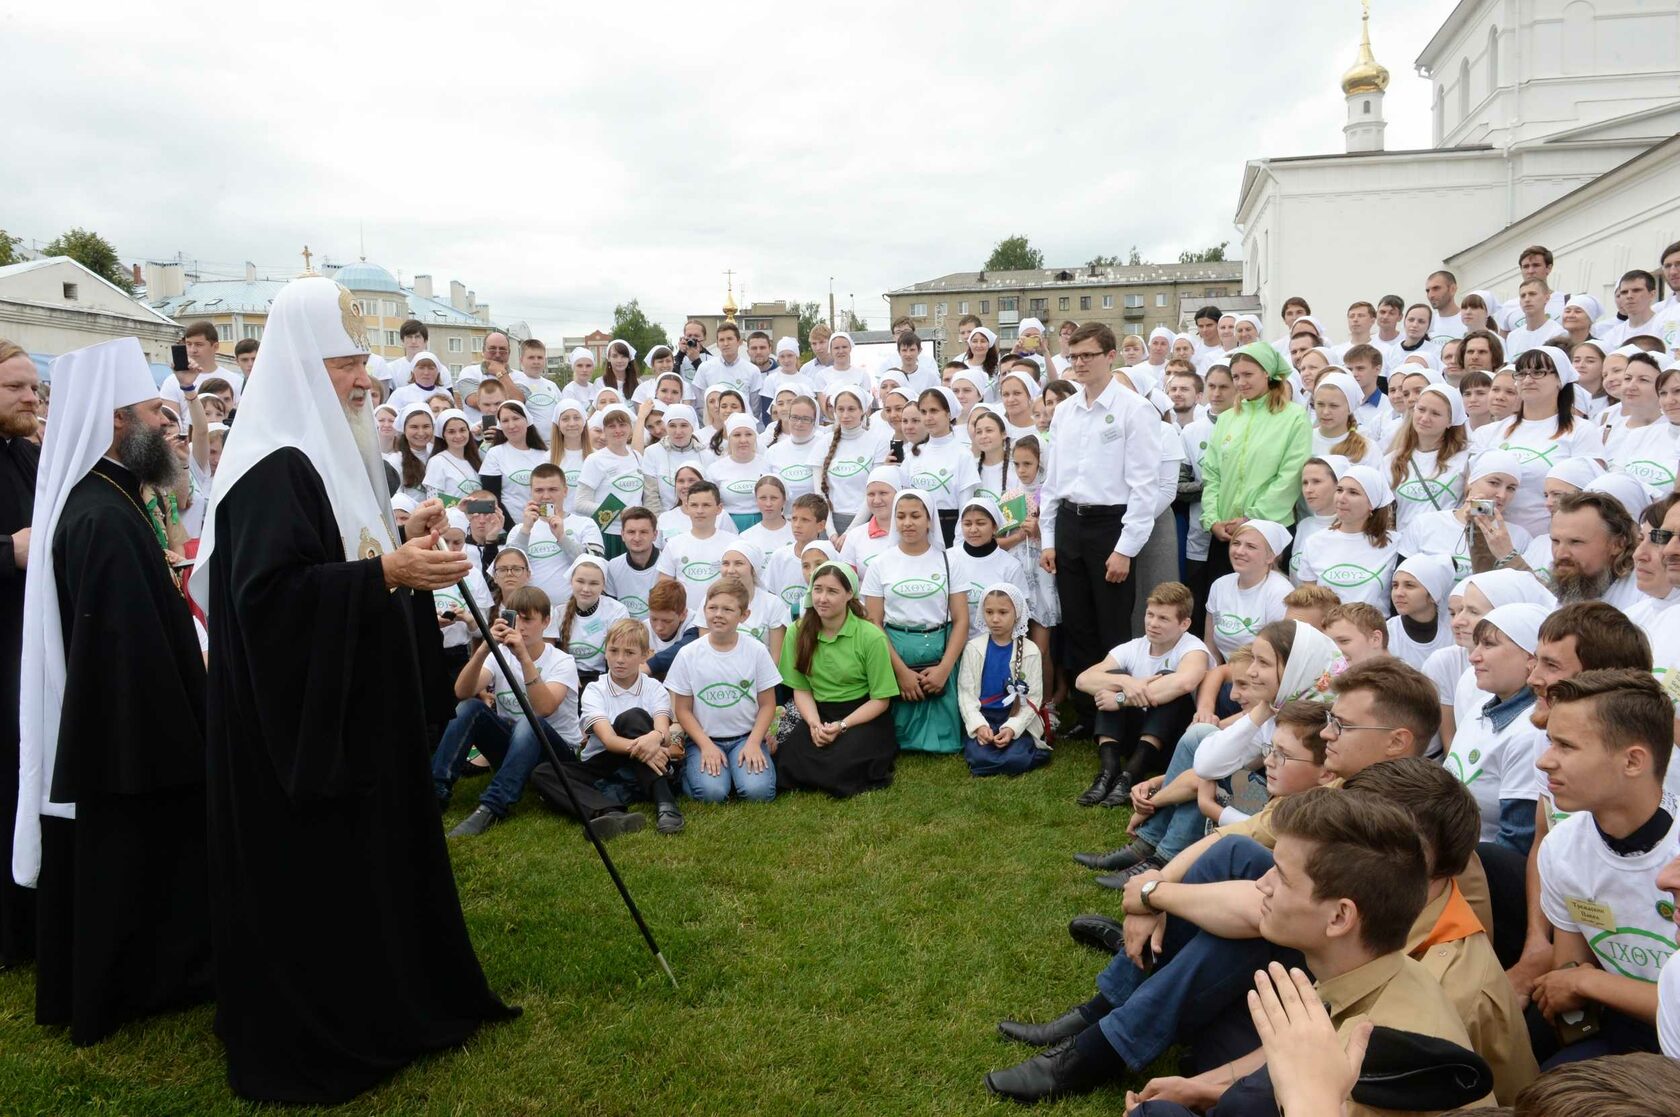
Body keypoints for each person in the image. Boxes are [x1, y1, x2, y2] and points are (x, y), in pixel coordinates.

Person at [190, 277, 514, 1103]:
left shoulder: (332, 445)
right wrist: (386, 572)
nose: (363, 377)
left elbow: (337, 551)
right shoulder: (272, 466)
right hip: (302, 728)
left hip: (354, 707)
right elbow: (268, 602)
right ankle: (344, 1013)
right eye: (343, 363)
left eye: (363, 359)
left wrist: (397, 542)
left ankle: (396, 991)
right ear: (304, 368)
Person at [989, 786, 1489, 1112]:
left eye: (1283, 877)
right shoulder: (1363, 965)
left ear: (1340, 916)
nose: (1263, 883)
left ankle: (1096, 1044)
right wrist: (1204, 1086)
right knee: (1242, 879)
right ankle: (1103, 1026)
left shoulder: (1383, 1050)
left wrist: (1209, 1095)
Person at [14, 336, 211, 1045]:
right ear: (113, 420)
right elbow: (125, 648)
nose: (166, 425)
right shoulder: (99, 514)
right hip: (132, 734)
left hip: (133, 725)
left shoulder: (116, 497)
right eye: (151, 414)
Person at [1532, 670, 1679, 1066]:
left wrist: (1588, 981)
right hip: (1620, 1031)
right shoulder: (1562, 847)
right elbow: (1567, 977)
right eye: (1550, 742)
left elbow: (1576, 979)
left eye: (1566, 746)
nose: (1544, 761)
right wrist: (1578, 981)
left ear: (1633, 761)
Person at [1039, 324, 1164, 732]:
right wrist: (1049, 537)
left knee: (1112, 623)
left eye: (1088, 356)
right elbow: (1053, 480)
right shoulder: (1065, 411)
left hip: (1111, 524)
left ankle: (1115, 715)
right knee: (1076, 621)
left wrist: (1126, 548)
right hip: (1070, 523)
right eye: (1074, 357)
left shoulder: (1134, 409)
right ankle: (1087, 711)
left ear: (1110, 356)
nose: (1079, 364)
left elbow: (1144, 487)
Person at [1074, 582, 1210, 807]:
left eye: (1163, 619)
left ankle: (1131, 775)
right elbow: (1083, 680)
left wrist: (1121, 699)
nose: (1153, 624)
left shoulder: (1193, 648)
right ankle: (1108, 773)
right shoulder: (1134, 647)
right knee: (1112, 679)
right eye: (1150, 615)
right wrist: (1125, 682)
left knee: (1168, 682)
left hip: (1173, 740)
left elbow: (1184, 683)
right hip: (1135, 735)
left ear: (1184, 624)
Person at [776, 560, 902, 797]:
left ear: (849, 594)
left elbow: (881, 699)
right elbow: (801, 689)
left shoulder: (871, 636)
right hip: (818, 711)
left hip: (861, 714)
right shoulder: (797, 631)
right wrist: (814, 725)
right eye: (818, 589)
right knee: (788, 759)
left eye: (832, 591)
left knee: (840, 766)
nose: (822, 598)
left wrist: (842, 726)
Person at [864, 489, 968, 755]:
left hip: (940, 649)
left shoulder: (949, 561)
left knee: (949, 741)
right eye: (901, 516)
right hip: (896, 650)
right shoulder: (880, 564)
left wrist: (945, 668)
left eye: (915, 515)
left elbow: (961, 619)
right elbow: (874, 622)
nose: (907, 523)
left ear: (929, 519)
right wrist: (901, 673)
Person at [666, 578, 782, 803]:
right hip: (704, 738)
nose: (718, 614)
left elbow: (768, 704)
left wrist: (754, 742)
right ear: (704, 610)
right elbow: (682, 709)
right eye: (712, 608)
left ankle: (739, 772)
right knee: (711, 794)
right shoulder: (688, 654)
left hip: (744, 737)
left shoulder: (756, 651)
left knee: (759, 793)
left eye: (728, 609)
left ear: (744, 615)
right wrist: (705, 744)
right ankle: (693, 770)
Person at [0, 337, 38, 967]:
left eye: (35, 387)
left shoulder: (25, 453)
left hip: (23, 642)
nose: (33, 397)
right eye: (17, 388)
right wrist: (8, 551)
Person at [578, 618, 684, 835]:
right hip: (606, 760)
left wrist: (654, 737)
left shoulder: (654, 687)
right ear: (605, 652)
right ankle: (611, 809)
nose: (619, 660)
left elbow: (663, 731)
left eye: (629, 653)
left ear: (645, 655)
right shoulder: (594, 690)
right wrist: (649, 744)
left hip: (643, 759)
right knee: (543, 772)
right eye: (613, 651)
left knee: (633, 717)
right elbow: (608, 741)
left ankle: (666, 804)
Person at [958, 583, 1049, 777]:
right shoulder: (974, 648)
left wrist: (1011, 728)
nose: (995, 619)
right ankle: (1004, 757)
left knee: (1015, 756)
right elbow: (966, 694)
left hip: (1013, 714)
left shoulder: (1030, 651)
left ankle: (1014, 754)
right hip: (986, 716)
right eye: (989, 612)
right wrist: (979, 726)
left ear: (1016, 613)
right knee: (979, 756)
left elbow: (1033, 697)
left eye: (1003, 612)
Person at [1296, 464, 1400, 612]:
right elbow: (1308, 603)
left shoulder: (1395, 544)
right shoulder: (1314, 542)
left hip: (1374, 630)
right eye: (1339, 490)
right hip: (1328, 630)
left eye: (1353, 492)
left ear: (1372, 502)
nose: (1341, 498)